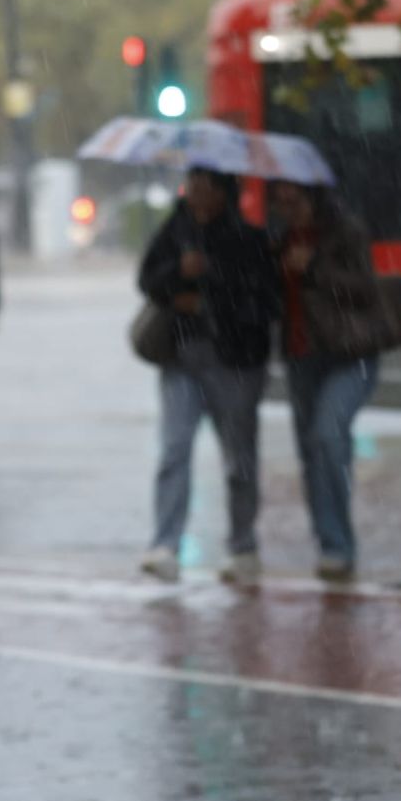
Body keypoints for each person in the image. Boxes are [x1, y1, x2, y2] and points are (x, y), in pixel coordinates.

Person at [137, 167, 279, 585]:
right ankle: (165, 544)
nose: (196, 193)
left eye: (205, 185)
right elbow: (148, 279)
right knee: (175, 449)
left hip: (235, 361)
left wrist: (214, 285)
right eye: (192, 183)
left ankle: (242, 545)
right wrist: (178, 273)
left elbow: (266, 301)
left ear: (223, 192)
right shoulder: (175, 230)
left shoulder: (250, 238)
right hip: (182, 357)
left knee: (239, 459)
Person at [269, 181, 381, 581]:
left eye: (294, 201)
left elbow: (366, 290)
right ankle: (328, 540)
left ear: (312, 197)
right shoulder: (280, 240)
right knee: (313, 451)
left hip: (350, 355)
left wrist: (314, 267)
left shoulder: (345, 232)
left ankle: (339, 543)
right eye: (280, 203)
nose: (288, 209)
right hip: (302, 359)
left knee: (329, 435)